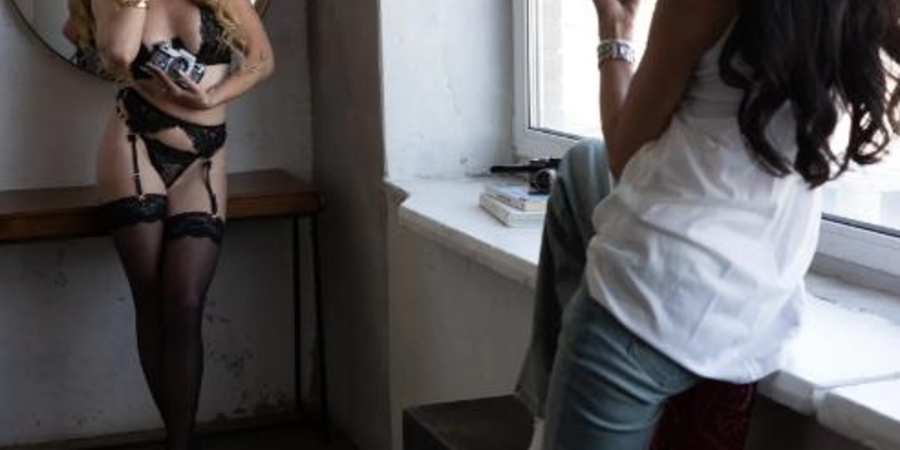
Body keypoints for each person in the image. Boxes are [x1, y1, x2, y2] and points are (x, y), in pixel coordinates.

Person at [521, 0, 900, 448]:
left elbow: (624, 151)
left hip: (645, 306)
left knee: (584, 170)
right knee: (582, 163)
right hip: (751, 312)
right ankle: (544, 411)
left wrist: (615, 30)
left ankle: (543, 411)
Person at [75, 0, 274, 448]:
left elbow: (262, 60)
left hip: (205, 156)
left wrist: (211, 97)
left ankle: (178, 439)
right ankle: (179, 442)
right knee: (150, 299)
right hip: (135, 142)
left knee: (184, 303)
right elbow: (119, 56)